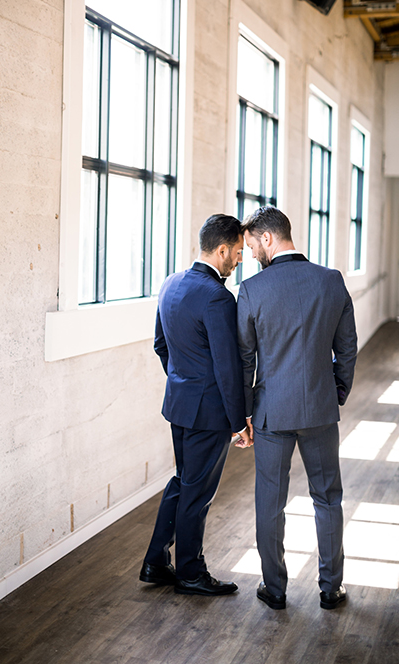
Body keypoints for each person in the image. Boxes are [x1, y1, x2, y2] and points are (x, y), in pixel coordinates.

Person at [237, 206, 357, 610]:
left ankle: (274, 589)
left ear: (268, 238)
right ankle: (331, 588)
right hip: (321, 410)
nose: (252, 254)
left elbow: (245, 360)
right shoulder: (331, 281)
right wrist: (335, 391)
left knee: (271, 502)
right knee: (328, 498)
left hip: (272, 413)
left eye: (253, 245)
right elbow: (347, 347)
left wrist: (245, 415)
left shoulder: (253, 291)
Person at [140, 213, 251, 596]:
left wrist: (183, 381)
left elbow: (160, 345)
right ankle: (189, 572)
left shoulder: (170, 284)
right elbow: (227, 368)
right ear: (221, 250)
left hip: (179, 405)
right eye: (237, 252)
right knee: (197, 493)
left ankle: (156, 562)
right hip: (209, 414)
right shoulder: (218, 297)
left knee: (183, 481)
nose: (240, 259)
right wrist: (240, 422)